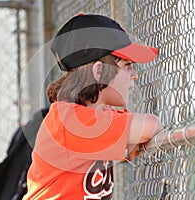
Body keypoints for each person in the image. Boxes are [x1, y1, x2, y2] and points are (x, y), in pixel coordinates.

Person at [23, 14, 163, 200]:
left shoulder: (99, 116)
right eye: (127, 65)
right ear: (99, 71)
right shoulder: (70, 121)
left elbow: (134, 136)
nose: (134, 75)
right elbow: (149, 126)